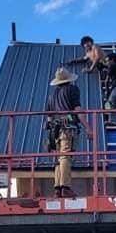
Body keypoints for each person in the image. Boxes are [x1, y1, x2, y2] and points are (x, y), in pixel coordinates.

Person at [45, 67, 88, 198]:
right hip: (68, 128)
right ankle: (65, 187)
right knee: (65, 156)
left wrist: (51, 132)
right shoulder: (72, 90)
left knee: (59, 158)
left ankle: (58, 188)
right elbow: (78, 111)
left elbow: (48, 117)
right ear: (69, 79)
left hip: (55, 130)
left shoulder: (52, 95)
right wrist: (88, 128)